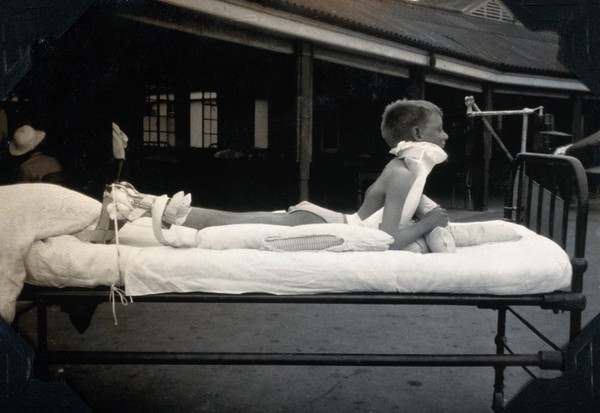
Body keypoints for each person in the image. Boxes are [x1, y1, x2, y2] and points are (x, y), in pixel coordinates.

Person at [109, 99, 450, 251]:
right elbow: (386, 241)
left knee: (230, 220)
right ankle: (138, 200)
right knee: (226, 222)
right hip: (321, 225)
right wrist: (427, 223)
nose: (446, 136)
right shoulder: (404, 172)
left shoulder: (408, 169)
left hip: (324, 221)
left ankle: (140, 202)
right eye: (440, 129)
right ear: (418, 135)